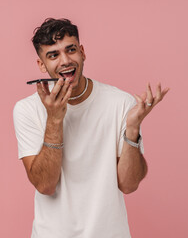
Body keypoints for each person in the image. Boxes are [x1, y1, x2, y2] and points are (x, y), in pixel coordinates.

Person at [13, 18, 169, 238]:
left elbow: (129, 184)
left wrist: (132, 130)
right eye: (53, 55)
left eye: (71, 50)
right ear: (41, 65)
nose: (65, 60)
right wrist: (55, 120)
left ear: (83, 52)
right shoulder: (27, 110)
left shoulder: (120, 103)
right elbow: (45, 185)